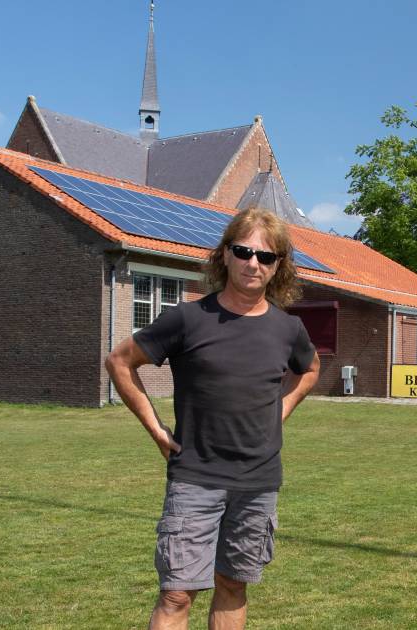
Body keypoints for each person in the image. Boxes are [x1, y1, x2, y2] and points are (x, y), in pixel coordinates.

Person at [106, 208, 321, 630]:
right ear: (225, 255)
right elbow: (119, 361)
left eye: (266, 256)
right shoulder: (187, 319)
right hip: (195, 479)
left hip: (257, 482)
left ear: (279, 266)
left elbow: (310, 369)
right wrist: (155, 429)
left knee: (233, 585)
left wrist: (283, 408)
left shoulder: (288, 329)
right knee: (176, 593)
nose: (253, 263)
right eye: (243, 251)